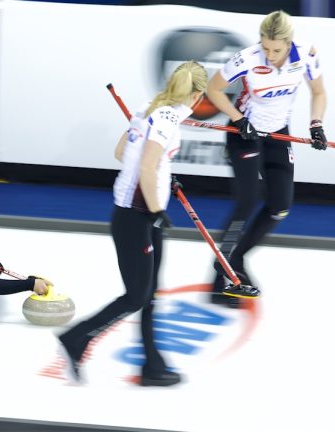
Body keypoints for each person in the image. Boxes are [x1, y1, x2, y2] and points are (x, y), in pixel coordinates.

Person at [58, 61, 208, 386]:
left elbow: (122, 152)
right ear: (197, 95)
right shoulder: (168, 118)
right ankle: (76, 338)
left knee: (151, 292)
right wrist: (156, 207)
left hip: (139, 213)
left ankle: (152, 365)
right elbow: (146, 165)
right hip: (136, 216)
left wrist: (165, 176)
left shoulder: (150, 107)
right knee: (137, 296)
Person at [204, 10, 327, 307]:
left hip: (277, 134)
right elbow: (214, 89)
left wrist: (316, 123)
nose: (269, 55)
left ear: (289, 43)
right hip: (244, 132)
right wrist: (237, 119)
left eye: (276, 49)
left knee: (280, 207)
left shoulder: (306, 55)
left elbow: (319, 92)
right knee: (247, 201)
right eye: (265, 47)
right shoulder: (248, 57)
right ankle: (222, 274)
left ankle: (235, 259)